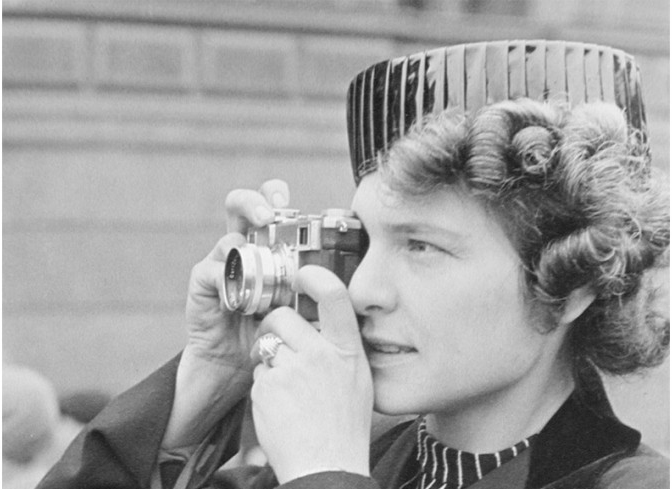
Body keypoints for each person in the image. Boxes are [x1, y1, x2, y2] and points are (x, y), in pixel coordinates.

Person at [37, 40, 669, 489]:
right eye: (365, 239)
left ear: (574, 283)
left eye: (422, 246)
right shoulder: (326, 462)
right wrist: (206, 386)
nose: (361, 289)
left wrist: (323, 475)